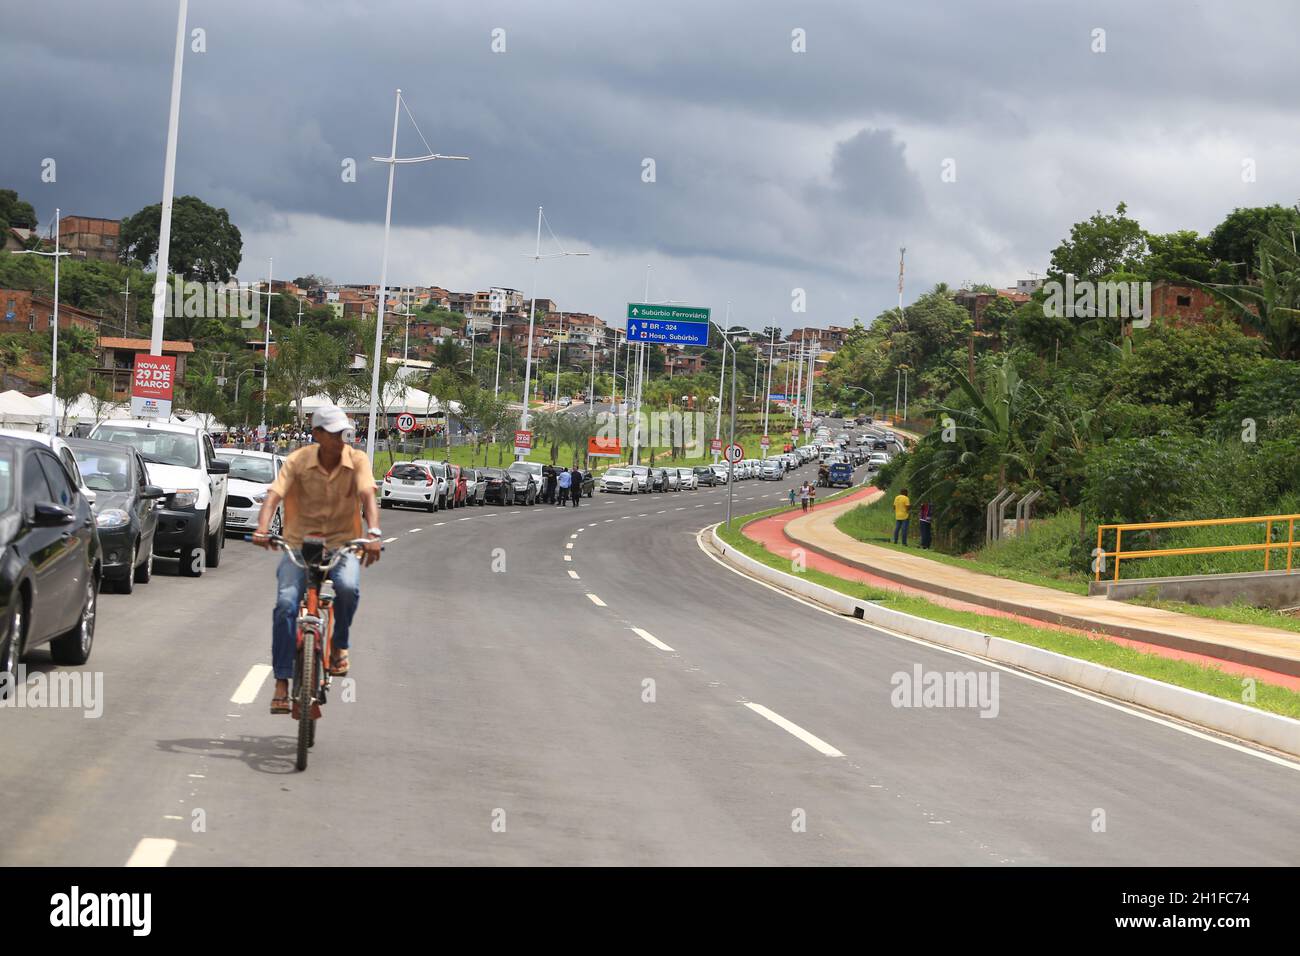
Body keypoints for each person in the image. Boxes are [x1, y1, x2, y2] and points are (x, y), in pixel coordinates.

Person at [252, 405, 383, 716]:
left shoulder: (357, 460)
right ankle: (282, 682)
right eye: (334, 433)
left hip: (343, 544)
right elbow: (274, 495)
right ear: (317, 435)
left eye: (343, 433)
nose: (341, 439)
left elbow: (367, 495)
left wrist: (374, 532)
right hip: (298, 545)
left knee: (348, 588)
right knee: (285, 604)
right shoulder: (298, 460)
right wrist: (262, 528)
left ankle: (338, 646)